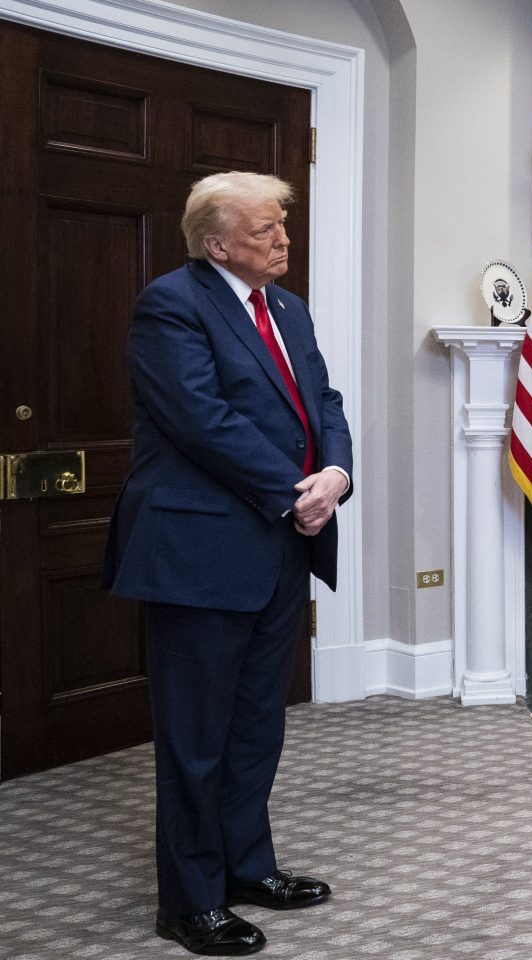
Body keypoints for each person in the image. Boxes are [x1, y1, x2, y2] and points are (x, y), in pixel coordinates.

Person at [102, 172, 353, 954]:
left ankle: (249, 866)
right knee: (196, 736)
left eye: (283, 227)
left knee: (255, 727)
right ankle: (190, 899)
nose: (284, 242)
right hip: (200, 551)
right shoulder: (171, 304)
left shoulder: (288, 308)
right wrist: (295, 491)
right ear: (216, 244)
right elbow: (200, 419)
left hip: (280, 544)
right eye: (265, 232)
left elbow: (325, 403)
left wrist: (337, 477)